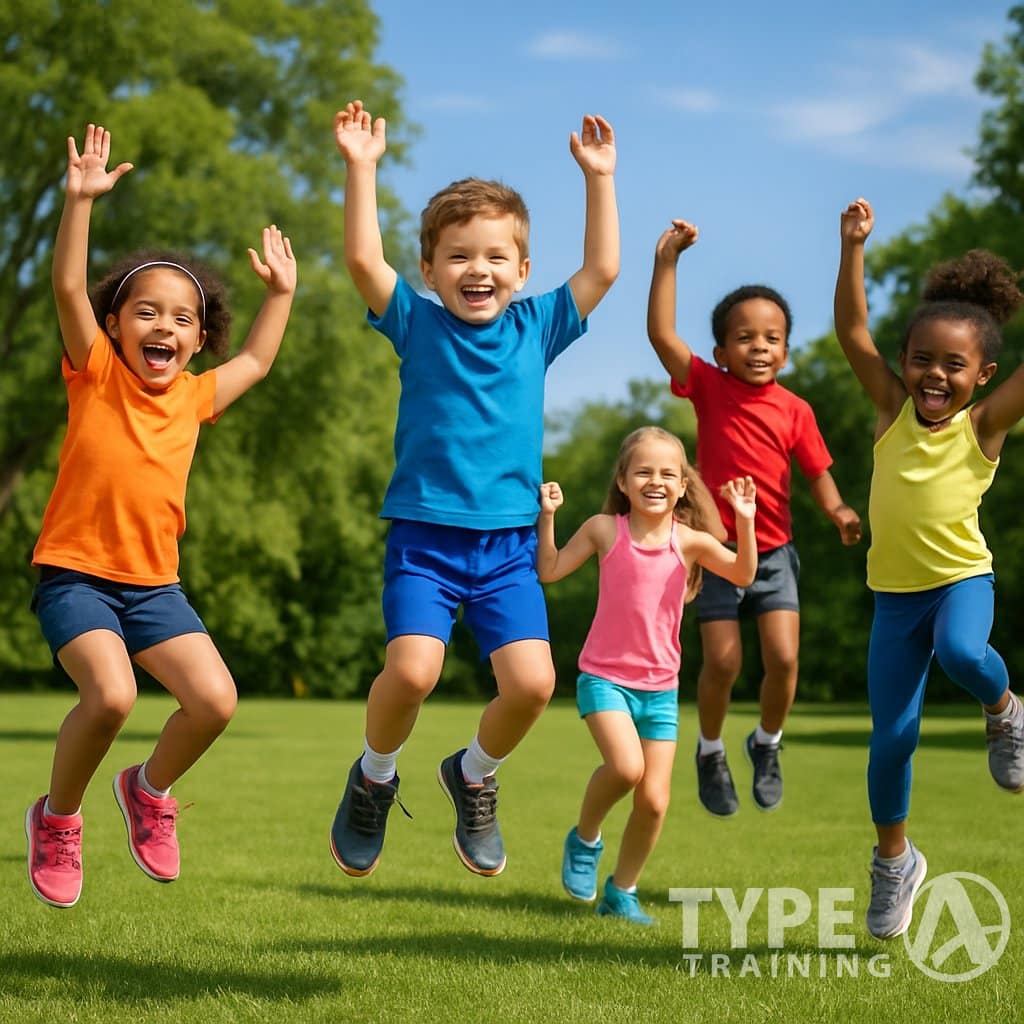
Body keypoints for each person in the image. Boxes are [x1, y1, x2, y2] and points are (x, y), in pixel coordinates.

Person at [328, 100, 618, 878]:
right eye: (458, 257)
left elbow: (601, 271)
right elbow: (362, 262)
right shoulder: (417, 324)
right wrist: (362, 167)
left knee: (532, 685)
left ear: (522, 270)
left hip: (508, 547)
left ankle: (473, 773)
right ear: (430, 271)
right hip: (426, 540)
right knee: (414, 671)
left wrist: (599, 180)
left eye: (495, 256)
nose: (477, 270)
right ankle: (374, 777)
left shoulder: (538, 326)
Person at [25, 124, 297, 909]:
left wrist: (279, 294)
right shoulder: (96, 372)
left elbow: (258, 361)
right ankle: (59, 817)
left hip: (154, 587)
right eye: (147, 312)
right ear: (116, 325)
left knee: (215, 701)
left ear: (198, 340)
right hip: (76, 574)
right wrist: (79, 202)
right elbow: (70, 289)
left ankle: (147, 790)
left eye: (182, 320)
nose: (164, 328)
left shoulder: (195, 396)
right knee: (109, 697)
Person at [835, 197, 1024, 939]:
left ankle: (1005, 709)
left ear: (984, 374)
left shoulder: (985, 424)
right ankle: (895, 862)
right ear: (904, 363)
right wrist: (853, 246)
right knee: (892, 739)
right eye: (921, 359)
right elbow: (853, 330)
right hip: (894, 600)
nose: (934, 376)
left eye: (955, 365)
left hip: (959, 583)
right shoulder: (890, 409)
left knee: (963, 652)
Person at [647, 218, 862, 818]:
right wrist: (667, 262)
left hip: (772, 555)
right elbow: (662, 334)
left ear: (787, 350)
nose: (759, 346)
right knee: (722, 661)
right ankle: (710, 750)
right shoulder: (709, 388)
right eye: (745, 337)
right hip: (716, 550)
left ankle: (766, 743)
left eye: (772, 338)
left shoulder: (795, 409)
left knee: (785, 659)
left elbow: (817, 471)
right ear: (720, 352)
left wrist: (838, 509)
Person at [537, 427, 757, 924]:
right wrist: (547, 516)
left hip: (660, 690)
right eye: (643, 471)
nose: (654, 481)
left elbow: (743, 574)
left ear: (682, 486)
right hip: (604, 679)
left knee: (654, 802)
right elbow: (548, 570)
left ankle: (622, 891)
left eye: (667, 473)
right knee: (626, 769)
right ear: (623, 480)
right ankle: (585, 839)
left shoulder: (691, 542)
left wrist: (744, 522)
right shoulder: (603, 529)